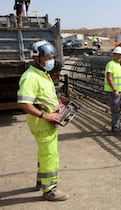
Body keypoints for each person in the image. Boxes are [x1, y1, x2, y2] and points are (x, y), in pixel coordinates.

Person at [17, 40, 68, 201]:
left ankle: (41, 181)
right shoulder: (30, 77)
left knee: (43, 154)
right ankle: (50, 190)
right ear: (37, 58)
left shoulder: (42, 74)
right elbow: (24, 103)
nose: (50, 60)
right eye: (47, 57)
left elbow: (45, 98)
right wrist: (45, 116)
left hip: (47, 122)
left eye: (52, 56)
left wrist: (57, 107)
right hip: (42, 123)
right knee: (49, 155)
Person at [104, 46, 121, 135]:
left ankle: (117, 126)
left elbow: (120, 79)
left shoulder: (118, 65)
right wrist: (114, 90)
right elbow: (109, 78)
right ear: (114, 55)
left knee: (117, 109)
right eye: (118, 55)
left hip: (119, 91)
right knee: (116, 110)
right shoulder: (111, 64)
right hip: (114, 92)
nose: (120, 57)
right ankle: (115, 129)